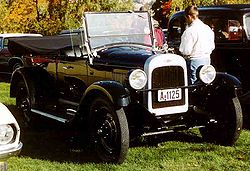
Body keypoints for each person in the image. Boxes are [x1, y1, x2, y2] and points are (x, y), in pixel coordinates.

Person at [179, 5, 215, 85]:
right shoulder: (207, 28)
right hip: (207, 61)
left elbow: (186, 51)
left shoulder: (189, 31)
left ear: (189, 17)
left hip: (194, 62)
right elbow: (212, 46)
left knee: (193, 86)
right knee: (205, 84)